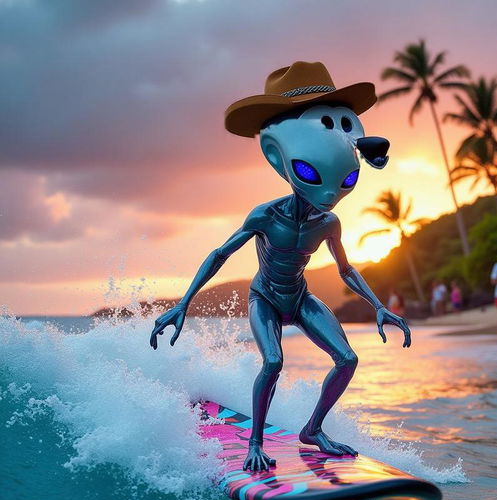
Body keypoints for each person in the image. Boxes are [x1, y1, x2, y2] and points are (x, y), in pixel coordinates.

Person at [149, 61, 411, 472]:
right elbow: (221, 254)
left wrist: (379, 305)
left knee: (347, 359)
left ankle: (313, 430)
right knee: (273, 362)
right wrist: (183, 303)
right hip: (266, 298)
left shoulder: (328, 222)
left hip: (301, 296)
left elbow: (345, 270)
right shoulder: (265, 216)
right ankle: (255, 442)